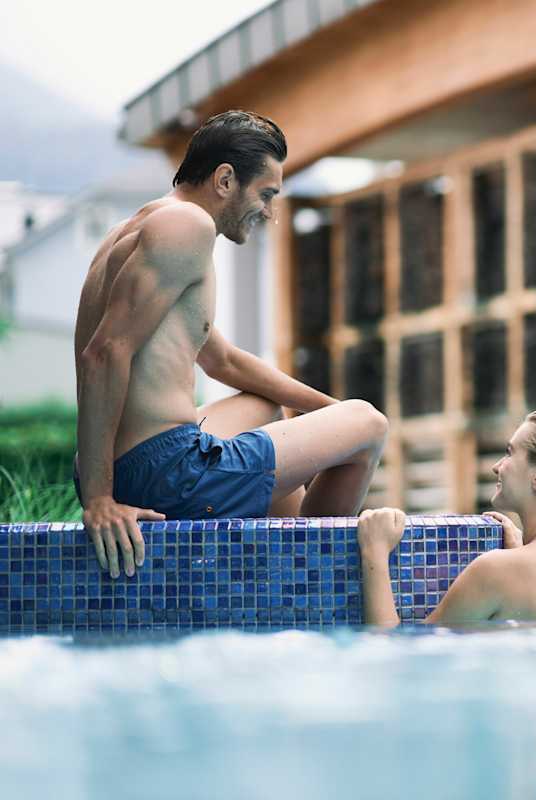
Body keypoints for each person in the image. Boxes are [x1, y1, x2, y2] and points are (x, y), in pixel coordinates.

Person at [74, 110, 388, 580]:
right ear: (225, 180)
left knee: (266, 406)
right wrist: (100, 501)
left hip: (134, 463)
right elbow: (104, 352)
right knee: (369, 425)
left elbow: (221, 361)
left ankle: (273, 555)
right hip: (165, 473)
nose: (269, 211)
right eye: (265, 194)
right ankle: (308, 578)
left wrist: (327, 410)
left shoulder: (143, 225)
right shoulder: (188, 229)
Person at [357, 410, 536, 624]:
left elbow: (398, 652)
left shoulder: (496, 570)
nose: (496, 466)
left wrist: (374, 553)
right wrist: (522, 550)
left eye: (510, 453)